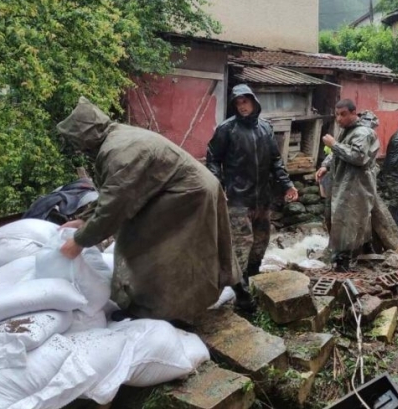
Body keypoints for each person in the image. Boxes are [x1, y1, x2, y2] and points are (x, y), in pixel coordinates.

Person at [56, 97, 247, 325]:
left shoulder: (119, 151)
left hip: (189, 196)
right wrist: (84, 219)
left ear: (85, 137)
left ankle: (173, 312)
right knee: (154, 249)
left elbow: (114, 205)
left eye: (77, 142)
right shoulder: (115, 138)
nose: (78, 148)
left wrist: (79, 241)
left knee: (168, 254)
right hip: (180, 191)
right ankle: (164, 308)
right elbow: (116, 192)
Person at [206, 84, 298, 282]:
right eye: (238, 103)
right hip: (238, 199)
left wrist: (287, 184)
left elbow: (275, 160)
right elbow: (213, 158)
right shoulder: (226, 129)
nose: (242, 106)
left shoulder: (265, 128)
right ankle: (239, 288)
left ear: (254, 102)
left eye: (245, 101)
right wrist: (219, 185)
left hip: (263, 198)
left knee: (261, 241)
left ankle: (253, 277)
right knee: (241, 244)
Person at [316, 99, 380, 271]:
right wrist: (325, 165)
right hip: (343, 182)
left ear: (353, 113)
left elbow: (358, 157)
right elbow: (338, 153)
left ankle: (344, 262)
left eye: (343, 114)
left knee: (348, 221)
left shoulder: (363, 133)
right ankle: (362, 251)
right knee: (343, 219)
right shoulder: (347, 131)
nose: (339, 119)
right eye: (337, 115)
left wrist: (334, 145)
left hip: (357, 185)